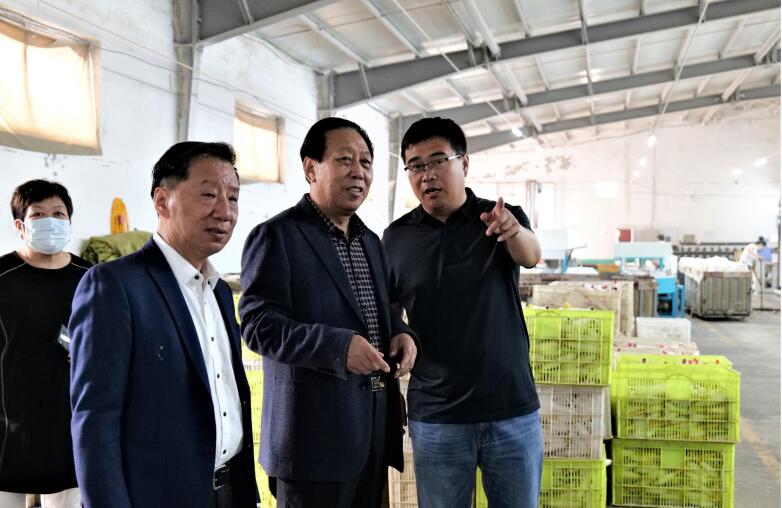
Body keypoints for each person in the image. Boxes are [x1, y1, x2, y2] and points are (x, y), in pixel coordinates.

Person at [239, 117, 419, 508]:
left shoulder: (371, 241)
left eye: (366, 162)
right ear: (311, 168)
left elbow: (380, 311)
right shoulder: (278, 236)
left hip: (371, 432)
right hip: (312, 443)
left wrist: (401, 333)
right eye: (344, 159)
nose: (359, 172)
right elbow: (258, 325)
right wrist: (338, 347)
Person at [69, 142, 258, 508]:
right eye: (209, 194)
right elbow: (95, 422)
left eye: (233, 198)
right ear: (161, 201)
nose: (225, 211)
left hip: (230, 491)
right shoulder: (115, 286)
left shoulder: (219, 292)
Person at [382, 117, 543, 508]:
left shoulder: (499, 217)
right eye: (416, 166)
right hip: (436, 413)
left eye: (438, 161)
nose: (427, 174)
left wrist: (512, 230)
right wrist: (397, 335)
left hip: (510, 408)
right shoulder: (396, 237)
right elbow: (388, 311)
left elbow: (531, 255)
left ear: (464, 163)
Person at [0, 180, 90, 508]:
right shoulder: (3, 275)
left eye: (58, 213)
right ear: (20, 226)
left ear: (69, 221)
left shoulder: (91, 277)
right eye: (38, 214)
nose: (50, 220)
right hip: (9, 426)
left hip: (70, 426)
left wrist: (88, 350)